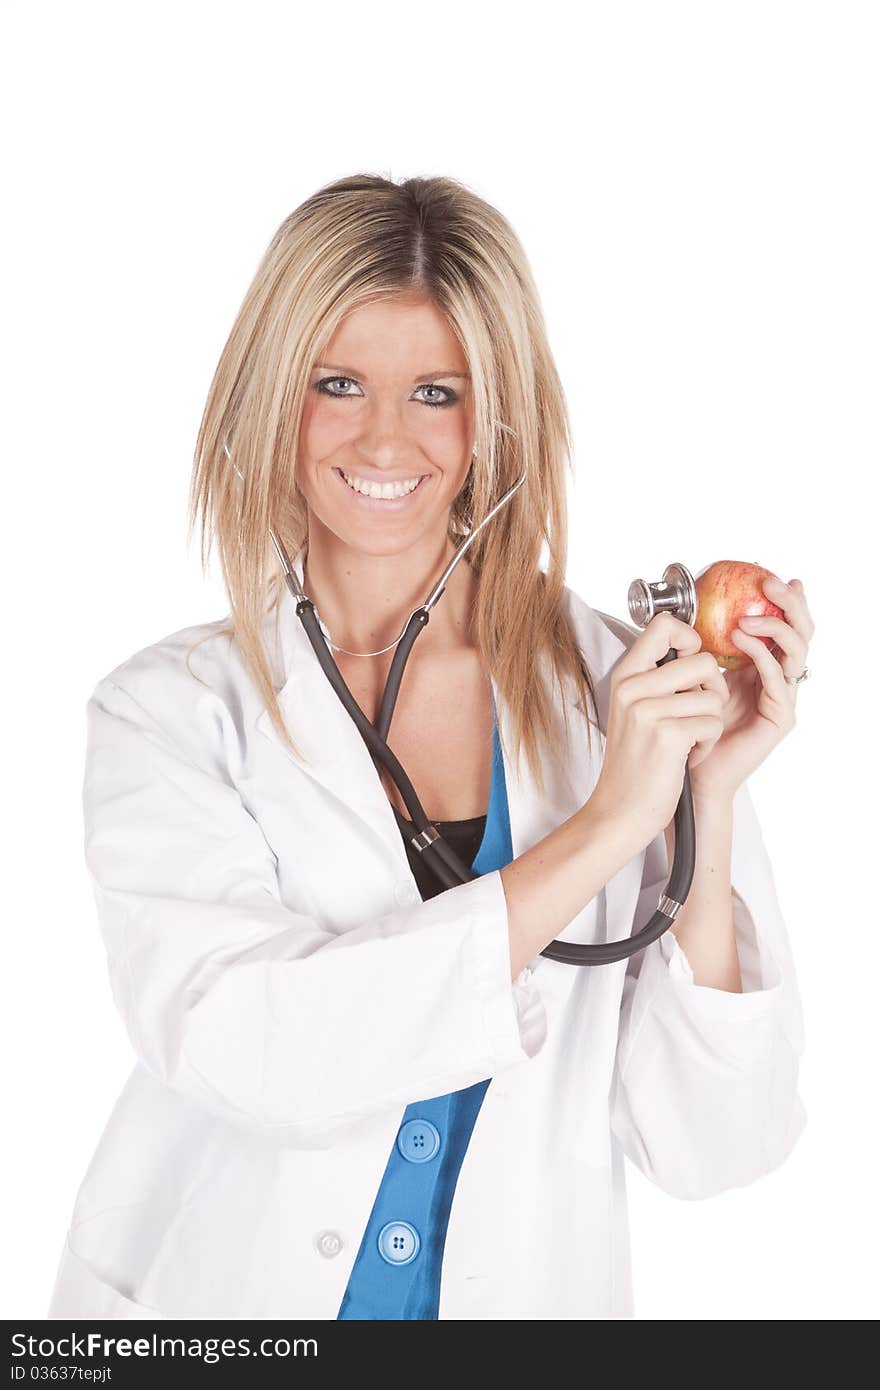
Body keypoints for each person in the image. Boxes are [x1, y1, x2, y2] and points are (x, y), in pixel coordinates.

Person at [47, 173, 813, 1321]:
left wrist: (699, 798)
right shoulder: (165, 715)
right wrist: (607, 825)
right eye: (337, 383)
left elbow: (715, 1145)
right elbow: (244, 1042)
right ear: (272, 398)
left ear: (495, 416)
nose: (384, 438)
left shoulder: (617, 691)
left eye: (437, 392)